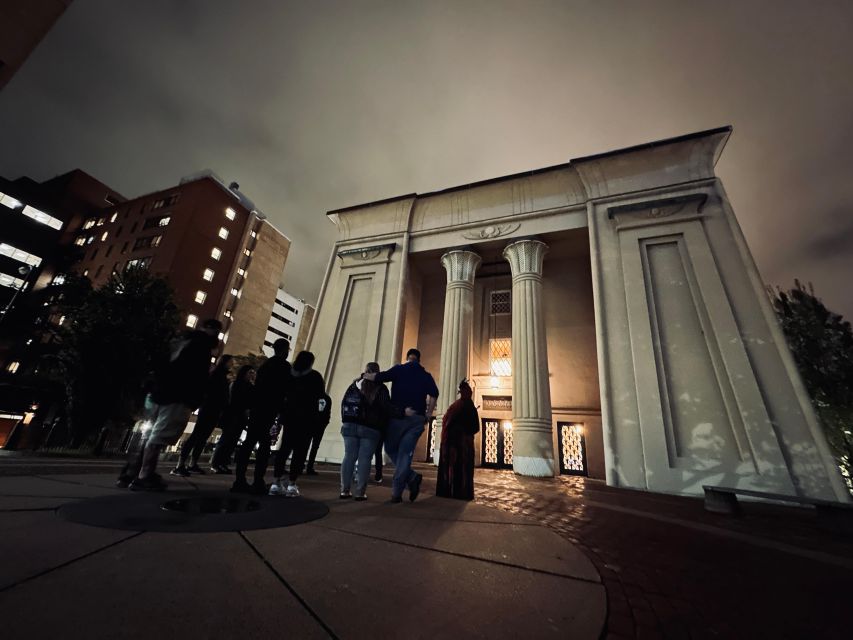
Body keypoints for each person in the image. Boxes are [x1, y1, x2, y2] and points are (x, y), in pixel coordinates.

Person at [118, 318, 221, 490]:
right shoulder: (200, 345)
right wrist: (194, 397)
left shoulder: (182, 340)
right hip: (176, 395)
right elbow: (195, 375)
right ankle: (144, 476)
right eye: (215, 330)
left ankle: (132, 473)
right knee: (157, 437)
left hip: (159, 392)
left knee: (149, 435)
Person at [364, 347, 438, 503]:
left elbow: (379, 377)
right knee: (405, 454)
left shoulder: (399, 369)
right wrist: (428, 413)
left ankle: (409, 479)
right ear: (419, 359)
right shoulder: (426, 375)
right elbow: (434, 394)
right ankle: (397, 491)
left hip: (399, 418)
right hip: (417, 419)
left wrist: (364, 376)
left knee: (391, 449)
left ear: (407, 358)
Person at [340, 362, 412, 500]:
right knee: (365, 459)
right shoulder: (380, 388)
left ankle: (344, 490)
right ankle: (360, 493)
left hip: (350, 424)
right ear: (377, 373)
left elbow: (344, 403)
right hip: (370, 428)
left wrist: (346, 420)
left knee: (349, 456)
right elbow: (387, 407)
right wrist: (403, 412)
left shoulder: (354, 385)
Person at [232, 339, 291, 494]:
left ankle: (240, 480)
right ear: (284, 350)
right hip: (269, 409)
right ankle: (257, 481)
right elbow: (285, 390)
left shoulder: (266, 365)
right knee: (263, 446)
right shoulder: (284, 366)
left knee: (250, 442)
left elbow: (259, 386)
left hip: (259, 408)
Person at [270, 351, 325, 497]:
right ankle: (292, 484)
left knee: (284, 449)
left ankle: (275, 482)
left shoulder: (289, 375)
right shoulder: (315, 377)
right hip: (307, 419)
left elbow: (281, 395)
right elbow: (321, 397)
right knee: (300, 452)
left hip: (289, 418)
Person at [172, 354, 232, 476]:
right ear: (224, 362)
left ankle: (192, 464)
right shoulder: (216, 374)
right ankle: (180, 465)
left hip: (215, 410)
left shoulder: (223, 376)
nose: (232, 364)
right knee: (196, 435)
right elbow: (210, 391)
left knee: (203, 437)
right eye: (230, 362)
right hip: (208, 409)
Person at [435, 379, 480, 500]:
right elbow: (475, 427)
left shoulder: (457, 406)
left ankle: (451, 491)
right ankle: (460, 493)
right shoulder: (466, 406)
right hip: (458, 445)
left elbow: (447, 423)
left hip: (455, 445)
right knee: (461, 469)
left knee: (457, 469)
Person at [210, 364, 256, 473]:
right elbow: (232, 400)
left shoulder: (250, 386)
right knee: (226, 439)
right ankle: (215, 463)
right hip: (232, 415)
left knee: (233, 441)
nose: (252, 375)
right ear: (244, 373)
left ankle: (223, 463)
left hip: (242, 417)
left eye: (253, 373)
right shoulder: (236, 384)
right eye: (250, 372)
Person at [305, 392, 332, 475]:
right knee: (315, 446)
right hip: (320, 425)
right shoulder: (327, 398)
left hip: (311, 423)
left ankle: (301, 465)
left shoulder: (311, 396)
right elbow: (327, 412)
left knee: (306, 445)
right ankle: (309, 467)